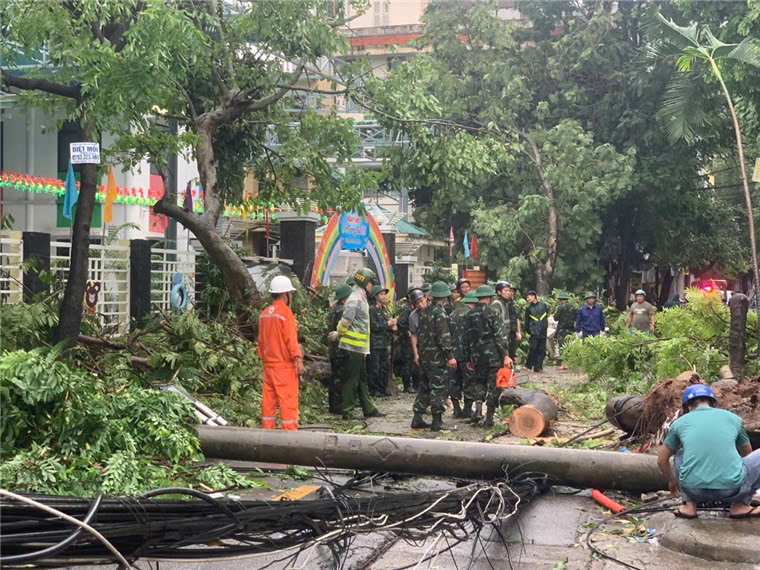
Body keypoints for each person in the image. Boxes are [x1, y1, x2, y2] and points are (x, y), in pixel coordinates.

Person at [657, 384, 760, 519]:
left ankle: (689, 505)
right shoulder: (734, 419)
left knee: (680, 454)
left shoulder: (679, 423)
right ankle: (740, 505)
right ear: (712, 403)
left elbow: (661, 460)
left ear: (688, 406)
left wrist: (672, 481)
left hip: (693, 490)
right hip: (732, 490)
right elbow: (747, 455)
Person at [336, 268, 384, 420]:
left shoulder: (361, 297)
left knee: (362, 378)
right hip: (352, 347)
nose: (372, 286)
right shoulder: (355, 299)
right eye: (371, 283)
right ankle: (347, 411)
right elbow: (345, 321)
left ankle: (368, 408)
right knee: (352, 379)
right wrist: (339, 333)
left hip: (359, 347)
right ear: (365, 283)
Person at [258, 275, 304, 430]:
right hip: (284, 367)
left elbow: (261, 342)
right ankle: (290, 441)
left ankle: (266, 437)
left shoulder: (265, 314)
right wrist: (298, 359)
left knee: (268, 403)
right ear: (286, 294)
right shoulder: (285, 313)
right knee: (288, 403)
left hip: (268, 366)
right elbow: (291, 340)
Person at [465, 285, 512, 427]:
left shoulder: (470, 315)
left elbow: (467, 338)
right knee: (494, 385)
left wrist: (469, 358)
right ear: (490, 297)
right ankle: (489, 418)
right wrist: (505, 355)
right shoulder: (493, 312)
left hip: (477, 356)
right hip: (493, 355)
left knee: (479, 382)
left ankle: (478, 408)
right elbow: (499, 335)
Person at [414, 281, 458, 432]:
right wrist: (450, 356)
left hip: (425, 356)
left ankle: (417, 417)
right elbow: (444, 337)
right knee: (438, 389)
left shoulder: (425, 311)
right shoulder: (440, 313)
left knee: (424, 388)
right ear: (445, 297)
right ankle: (437, 421)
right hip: (437, 357)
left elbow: (421, 334)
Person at [326, 284, 352, 415]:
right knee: (340, 378)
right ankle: (338, 406)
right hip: (340, 349)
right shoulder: (342, 310)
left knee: (335, 376)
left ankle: (333, 405)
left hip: (334, 349)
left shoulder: (334, 308)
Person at [367, 285, 396, 397]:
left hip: (383, 343)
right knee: (374, 368)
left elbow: (384, 325)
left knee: (384, 367)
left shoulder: (383, 309)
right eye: (381, 294)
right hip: (375, 343)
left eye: (384, 294)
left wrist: (391, 327)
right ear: (375, 296)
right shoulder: (372, 309)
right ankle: (374, 390)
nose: (384, 296)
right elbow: (373, 326)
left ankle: (382, 388)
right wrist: (388, 324)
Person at [408, 288, 431, 428]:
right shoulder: (413, 316)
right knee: (426, 385)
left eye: (422, 301)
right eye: (417, 303)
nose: (420, 305)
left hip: (437, 353)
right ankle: (419, 415)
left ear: (426, 298)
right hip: (424, 352)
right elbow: (414, 335)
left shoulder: (434, 312)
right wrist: (416, 353)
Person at [396, 288, 419, 393]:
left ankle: (416, 384)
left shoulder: (416, 307)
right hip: (407, 340)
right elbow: (401, 322)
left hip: (416, 339)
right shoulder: (407, 308)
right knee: (407, 363)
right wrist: (407, 332)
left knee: (415, 363)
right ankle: (407, 385)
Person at [524, 291, 549, 373]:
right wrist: (528, 330)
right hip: (534, 331)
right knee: (533, 348)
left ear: (534, 296)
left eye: (529, 297)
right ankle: (528, 365)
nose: (527, 299)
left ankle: (538, 367)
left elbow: (546, 316)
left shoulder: (543, 305)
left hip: (542, 331)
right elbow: (527, 321)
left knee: (542, 349)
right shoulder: (528, 308)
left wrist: (545, 326)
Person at [554, 292, 576, 370]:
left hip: (561, 330)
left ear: (561, 300)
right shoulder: (572, 307)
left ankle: (562, 363)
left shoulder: (560, 308)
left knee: (561, 346)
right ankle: (570, 362)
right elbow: (576, 318)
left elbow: (555, 318)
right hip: (570, 330)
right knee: (570, 346)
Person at [505, 283, 522, 365]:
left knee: (512, 352)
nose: (511, 293)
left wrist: (518, 332)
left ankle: (511, 372)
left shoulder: (514, 304)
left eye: (512, 291)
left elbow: (517, 318)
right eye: (509, 291)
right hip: (505, 332)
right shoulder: (503, 303)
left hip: (513, 332)